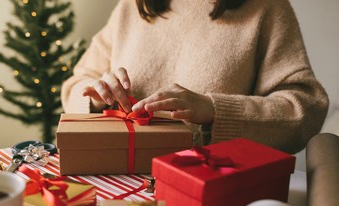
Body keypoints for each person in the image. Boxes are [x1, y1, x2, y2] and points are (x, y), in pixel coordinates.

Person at [61, 0, 329, 154]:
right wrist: (95, 97)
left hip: (209, 193)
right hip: (114, 179)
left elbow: (306, 111)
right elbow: (74, 87)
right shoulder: (132, 6)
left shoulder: (267, 8)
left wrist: (215, 110)